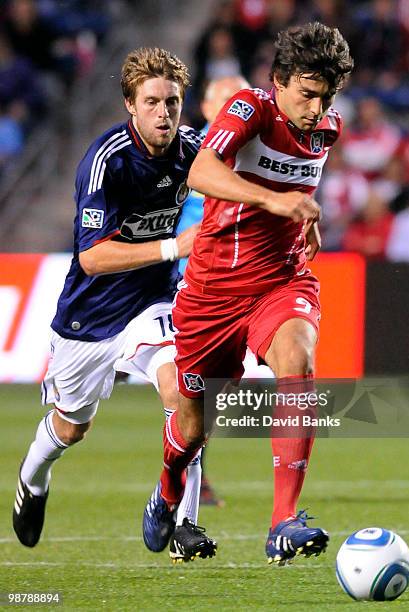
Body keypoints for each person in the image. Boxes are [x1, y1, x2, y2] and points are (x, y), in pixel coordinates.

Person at [144, 22, 354, 565]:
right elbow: (202, 170)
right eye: (306, 93)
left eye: (326, 96)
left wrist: (305, 215)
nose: (316, 106)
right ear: (280, 81)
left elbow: (299, 185)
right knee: (192, 424)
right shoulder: (249, 108)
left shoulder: (328, 128)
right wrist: (275, 202)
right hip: (213, 290)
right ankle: (168, 489)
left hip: (281, 281)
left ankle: (283, 520)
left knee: (298, 361)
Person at [12, 46, 216, 562]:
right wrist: (175, 245)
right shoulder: (106, 162)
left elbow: (239, 179)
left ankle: (182, 517)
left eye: (172, 101)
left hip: (152, 303)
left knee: (183, 387)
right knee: (70, 428)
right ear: (130, 104)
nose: (164, 112)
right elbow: (93, 257)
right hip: (88, 317)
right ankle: (32, 481)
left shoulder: (193, 151)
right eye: (151, 102)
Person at [177, 75, 249, 508]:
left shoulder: (257, 150)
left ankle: (194, 464)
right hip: (188, 277)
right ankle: (186, 472)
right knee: (185, 385)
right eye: (223, 100)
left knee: (217, 387)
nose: (231, 109)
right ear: (206, 108)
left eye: (239, 100)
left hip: (238, 279)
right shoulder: (190, 152)